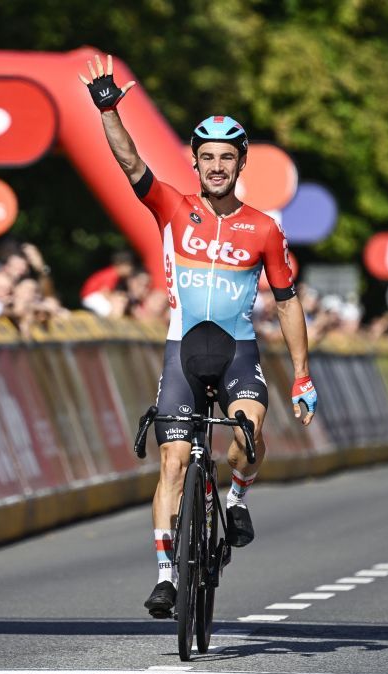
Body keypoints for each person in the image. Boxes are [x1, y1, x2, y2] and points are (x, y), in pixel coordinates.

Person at [80, 54, 318, 618]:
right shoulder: (172, 205)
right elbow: (129, 161)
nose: (216, 166)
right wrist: (109, 110)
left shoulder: (264, 228)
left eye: (225, 158)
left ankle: (236, 499)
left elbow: (287, 303)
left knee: (249, 434)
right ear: (194, 161)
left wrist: (303, 374)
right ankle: (166, 575)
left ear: (241, 164)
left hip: (237, 350)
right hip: (182, 349)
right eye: (207, 157)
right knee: (173, 460)